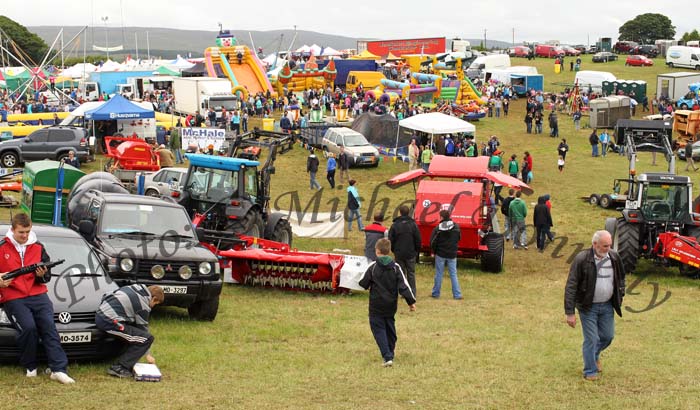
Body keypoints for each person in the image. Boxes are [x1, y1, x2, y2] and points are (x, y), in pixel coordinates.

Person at [0, 213, 75, 384]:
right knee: (28, 328)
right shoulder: (2, 247)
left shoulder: (39, 247)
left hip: (38, 294)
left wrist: (42, 275)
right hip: (13, 296)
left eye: (27, 231)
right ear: (13, 230)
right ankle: (30, 366)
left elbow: (46, 278)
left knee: (49, 328)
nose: (25, 236)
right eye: (21, 232)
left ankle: (58, 369)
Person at [565, 230, 626, 381]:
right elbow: (571, 285)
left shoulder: (614, 257)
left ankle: (594, 355)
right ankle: (590, 371)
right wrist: (570, 312)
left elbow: (621, 278)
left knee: (607, 336)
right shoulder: (581, 259)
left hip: (607, 306)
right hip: (587, 306)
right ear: (594, 244)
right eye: (605, 246)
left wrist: (620, 294)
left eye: (609, 245)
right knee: (591, 339)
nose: (608, 249)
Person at [359, 238, 416, 367]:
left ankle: (387, 356)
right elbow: (404, 286)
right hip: (390, 305)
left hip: (376, 305)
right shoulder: (396, 268)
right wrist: (411, 302)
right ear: (389, 251)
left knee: (378, 330)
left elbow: (363, 283)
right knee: (390, 329)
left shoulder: (372, 267)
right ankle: (390, 351)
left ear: (377, 251)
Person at [95, 284, 165, 378]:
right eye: (155, 304)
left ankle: (122, 358)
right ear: (154, 298)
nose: (153, 307)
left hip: (101, 314)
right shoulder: (143, 305)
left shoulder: (134, 288)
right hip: (109, 322)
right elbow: (143, 330)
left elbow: (107, 294)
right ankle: (119, 368)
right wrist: (148, 355)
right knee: (147, 339)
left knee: (133, 333)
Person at [388, 205, 421, 296]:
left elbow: (390, 239)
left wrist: (394, 250)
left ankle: (403, 292)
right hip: (411, 252)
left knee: (401, 273)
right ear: (408, 213)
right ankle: (412, 292)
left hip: (399, 253)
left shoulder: (395, 225)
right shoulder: (413, 225)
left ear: (400, 212)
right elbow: (418, 239)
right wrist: (416, 251)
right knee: (411, 273)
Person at [430, 210, 462, 300]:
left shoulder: (438, 228)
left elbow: (432, 241)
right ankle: (457, 294)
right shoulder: (456, 226)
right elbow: (459, 238)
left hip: (440, 253)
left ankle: (436, 293)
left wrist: (434, 251)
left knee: (439, 274)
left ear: (442, 217)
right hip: (452, 253)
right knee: (453, 274)